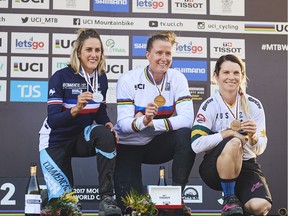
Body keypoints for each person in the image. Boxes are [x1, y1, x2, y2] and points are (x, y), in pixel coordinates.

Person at [38, 28, 122, 216]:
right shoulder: (60, 77)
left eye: (97, 50)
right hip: (55, 140)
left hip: (81, 136)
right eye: (89, 50)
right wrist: (75, 109)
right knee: (67, 207)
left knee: (106, 134)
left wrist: (107, 123)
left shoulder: (100, 77)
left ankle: (107, 198)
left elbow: (99, 110)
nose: (94, 55)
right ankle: (50, 194)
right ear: (78, 52)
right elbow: (53, 120)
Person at [113, 31, 196, 215]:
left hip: (157, 144)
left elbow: (187, 119)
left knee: (185, 135)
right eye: (159, 53)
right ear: (148, 55)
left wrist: (153, 124)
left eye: (168, 54)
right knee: (131, 206)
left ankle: (177, 197)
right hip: (129, 145)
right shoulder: (129, 79)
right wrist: (143, 120)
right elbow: (124, 123)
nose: (164, 58)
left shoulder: (178, 78)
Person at [191, 54, 272, 216]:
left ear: (242, 76)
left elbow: (260, 149)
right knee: (234, 141)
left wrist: (253, 136)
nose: (231, 77)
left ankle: (239, 198)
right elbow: (196, 144)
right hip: (214, 167)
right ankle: (229, 198)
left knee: (260, 206)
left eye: (236, 73)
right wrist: (227, 133)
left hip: (246, 165)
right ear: (216, 76)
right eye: (226, 72)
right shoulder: (210, 105)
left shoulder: (254, 105)